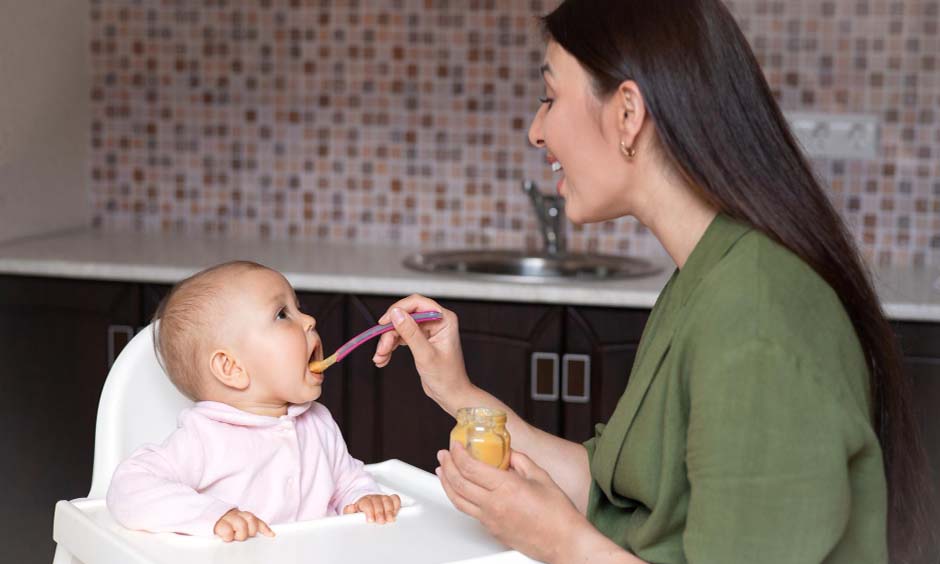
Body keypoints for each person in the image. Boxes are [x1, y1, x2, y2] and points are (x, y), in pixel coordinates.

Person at [371, 0, 933, 562]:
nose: (535, 131)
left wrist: (556, 539)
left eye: (550, 98)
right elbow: (621, 493)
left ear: (627, 113)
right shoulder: (711, 271)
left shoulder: (758, 314)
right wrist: (456, 393)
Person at [107, 261, 401, 542]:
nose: (310, 321)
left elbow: (347, 480)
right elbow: (129, 487)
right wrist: (212, 516)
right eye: (282, 315)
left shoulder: (319, 423)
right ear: (231, 368)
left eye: (299, 308)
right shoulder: (206, 438)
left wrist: (363, 498)